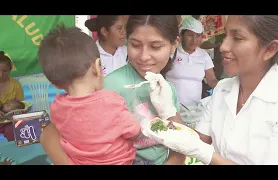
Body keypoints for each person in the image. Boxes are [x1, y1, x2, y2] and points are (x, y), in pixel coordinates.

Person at [143, 15, 278, 165]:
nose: (223, 47)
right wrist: (168, 111)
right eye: (226, 35)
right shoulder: (223, 89)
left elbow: (199, 148)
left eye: (237, 38)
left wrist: (207, 155)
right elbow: (196, 140)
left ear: (270, 49)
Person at [40, 15, 186, 165]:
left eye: (155, 47)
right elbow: (49, 136)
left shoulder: (168, 89)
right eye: (135, 45)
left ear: (174, 44)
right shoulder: (105, 88)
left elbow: (180, 141)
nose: (144, 56)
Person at [38, 24, 141, 165]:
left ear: (55, 84)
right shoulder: (111, 101)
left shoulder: (57, 108)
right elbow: (134, 131)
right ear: (97, 67)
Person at [166, 17, 218, 106]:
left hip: (193, 110)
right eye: (190, 35)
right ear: (182, 35)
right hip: (171, 107)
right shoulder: (171, 51)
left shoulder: (204, 55)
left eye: (198, 36)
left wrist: (227, 87)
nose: (194, 40)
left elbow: (212, 80)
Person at [0, 51, 24, 141]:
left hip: (9, 122)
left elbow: (20, 108)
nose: (1, 74)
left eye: (5, 71)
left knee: (13, 131)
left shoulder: (16, 86)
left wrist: (10, 112)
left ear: (10, 69)